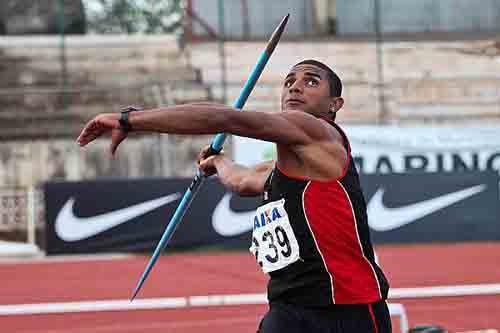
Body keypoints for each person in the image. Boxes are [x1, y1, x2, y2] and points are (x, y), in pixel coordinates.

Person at [77, 59, 391, 333]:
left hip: (347, 309)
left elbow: (225, 119)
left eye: (310, 81)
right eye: (289, 82)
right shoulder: (285, 165)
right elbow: (243, 181)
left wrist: (129, 119)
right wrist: (218, 162)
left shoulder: (319, 132)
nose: (295, 87)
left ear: (335, 104)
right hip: (290, 307)